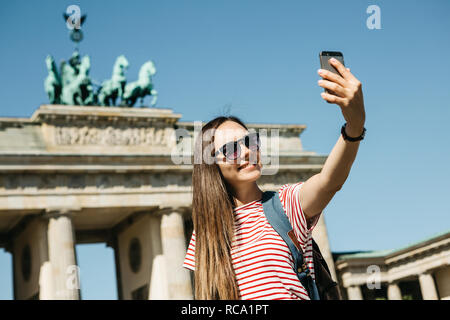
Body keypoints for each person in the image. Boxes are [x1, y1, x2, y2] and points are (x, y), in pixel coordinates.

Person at [182, 58, 366, 300]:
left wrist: (354, 126)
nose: (247, 151)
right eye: (231, 149)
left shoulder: (286, 204)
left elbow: (329, 181)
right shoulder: (205, 233)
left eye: (250, 142)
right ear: (211, 164)